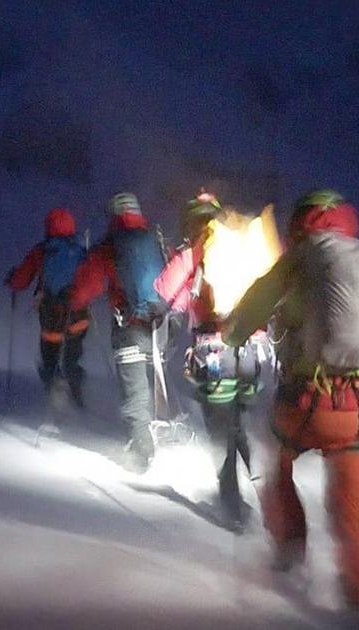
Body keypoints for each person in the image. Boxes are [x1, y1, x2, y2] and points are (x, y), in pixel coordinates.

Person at [223, 189, 359, 619]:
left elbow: (243, 320)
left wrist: (234, 333)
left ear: (301, 225)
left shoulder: (295, 264)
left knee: (279, 462)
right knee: (356, 507)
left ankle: (289, 552)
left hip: (303, 405)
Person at [154, 189, 282, 528]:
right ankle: (272, 501)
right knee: (245, 423)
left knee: (220, 431)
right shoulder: (244, 246)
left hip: (215, 354)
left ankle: (233, 509)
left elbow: (166, 292)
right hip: (256, 353)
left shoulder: (196, 251)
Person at [69, 192, 166, 473]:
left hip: (129, 327)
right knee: (157, 380)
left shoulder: (109, 246)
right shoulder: (153, 238)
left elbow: (85, 288)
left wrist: (73, 302)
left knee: (135, 388)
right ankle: (168, 430)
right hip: (160, 325)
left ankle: (142, 452)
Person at [6, 207, 89, 409]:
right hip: (78, 314)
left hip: (52, 314)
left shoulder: (42, 250)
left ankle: (53, 395)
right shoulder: (80, 249)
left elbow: (22, 279)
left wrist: (12, 280)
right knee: (72, 355)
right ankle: (76, 394)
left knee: (50, 354)